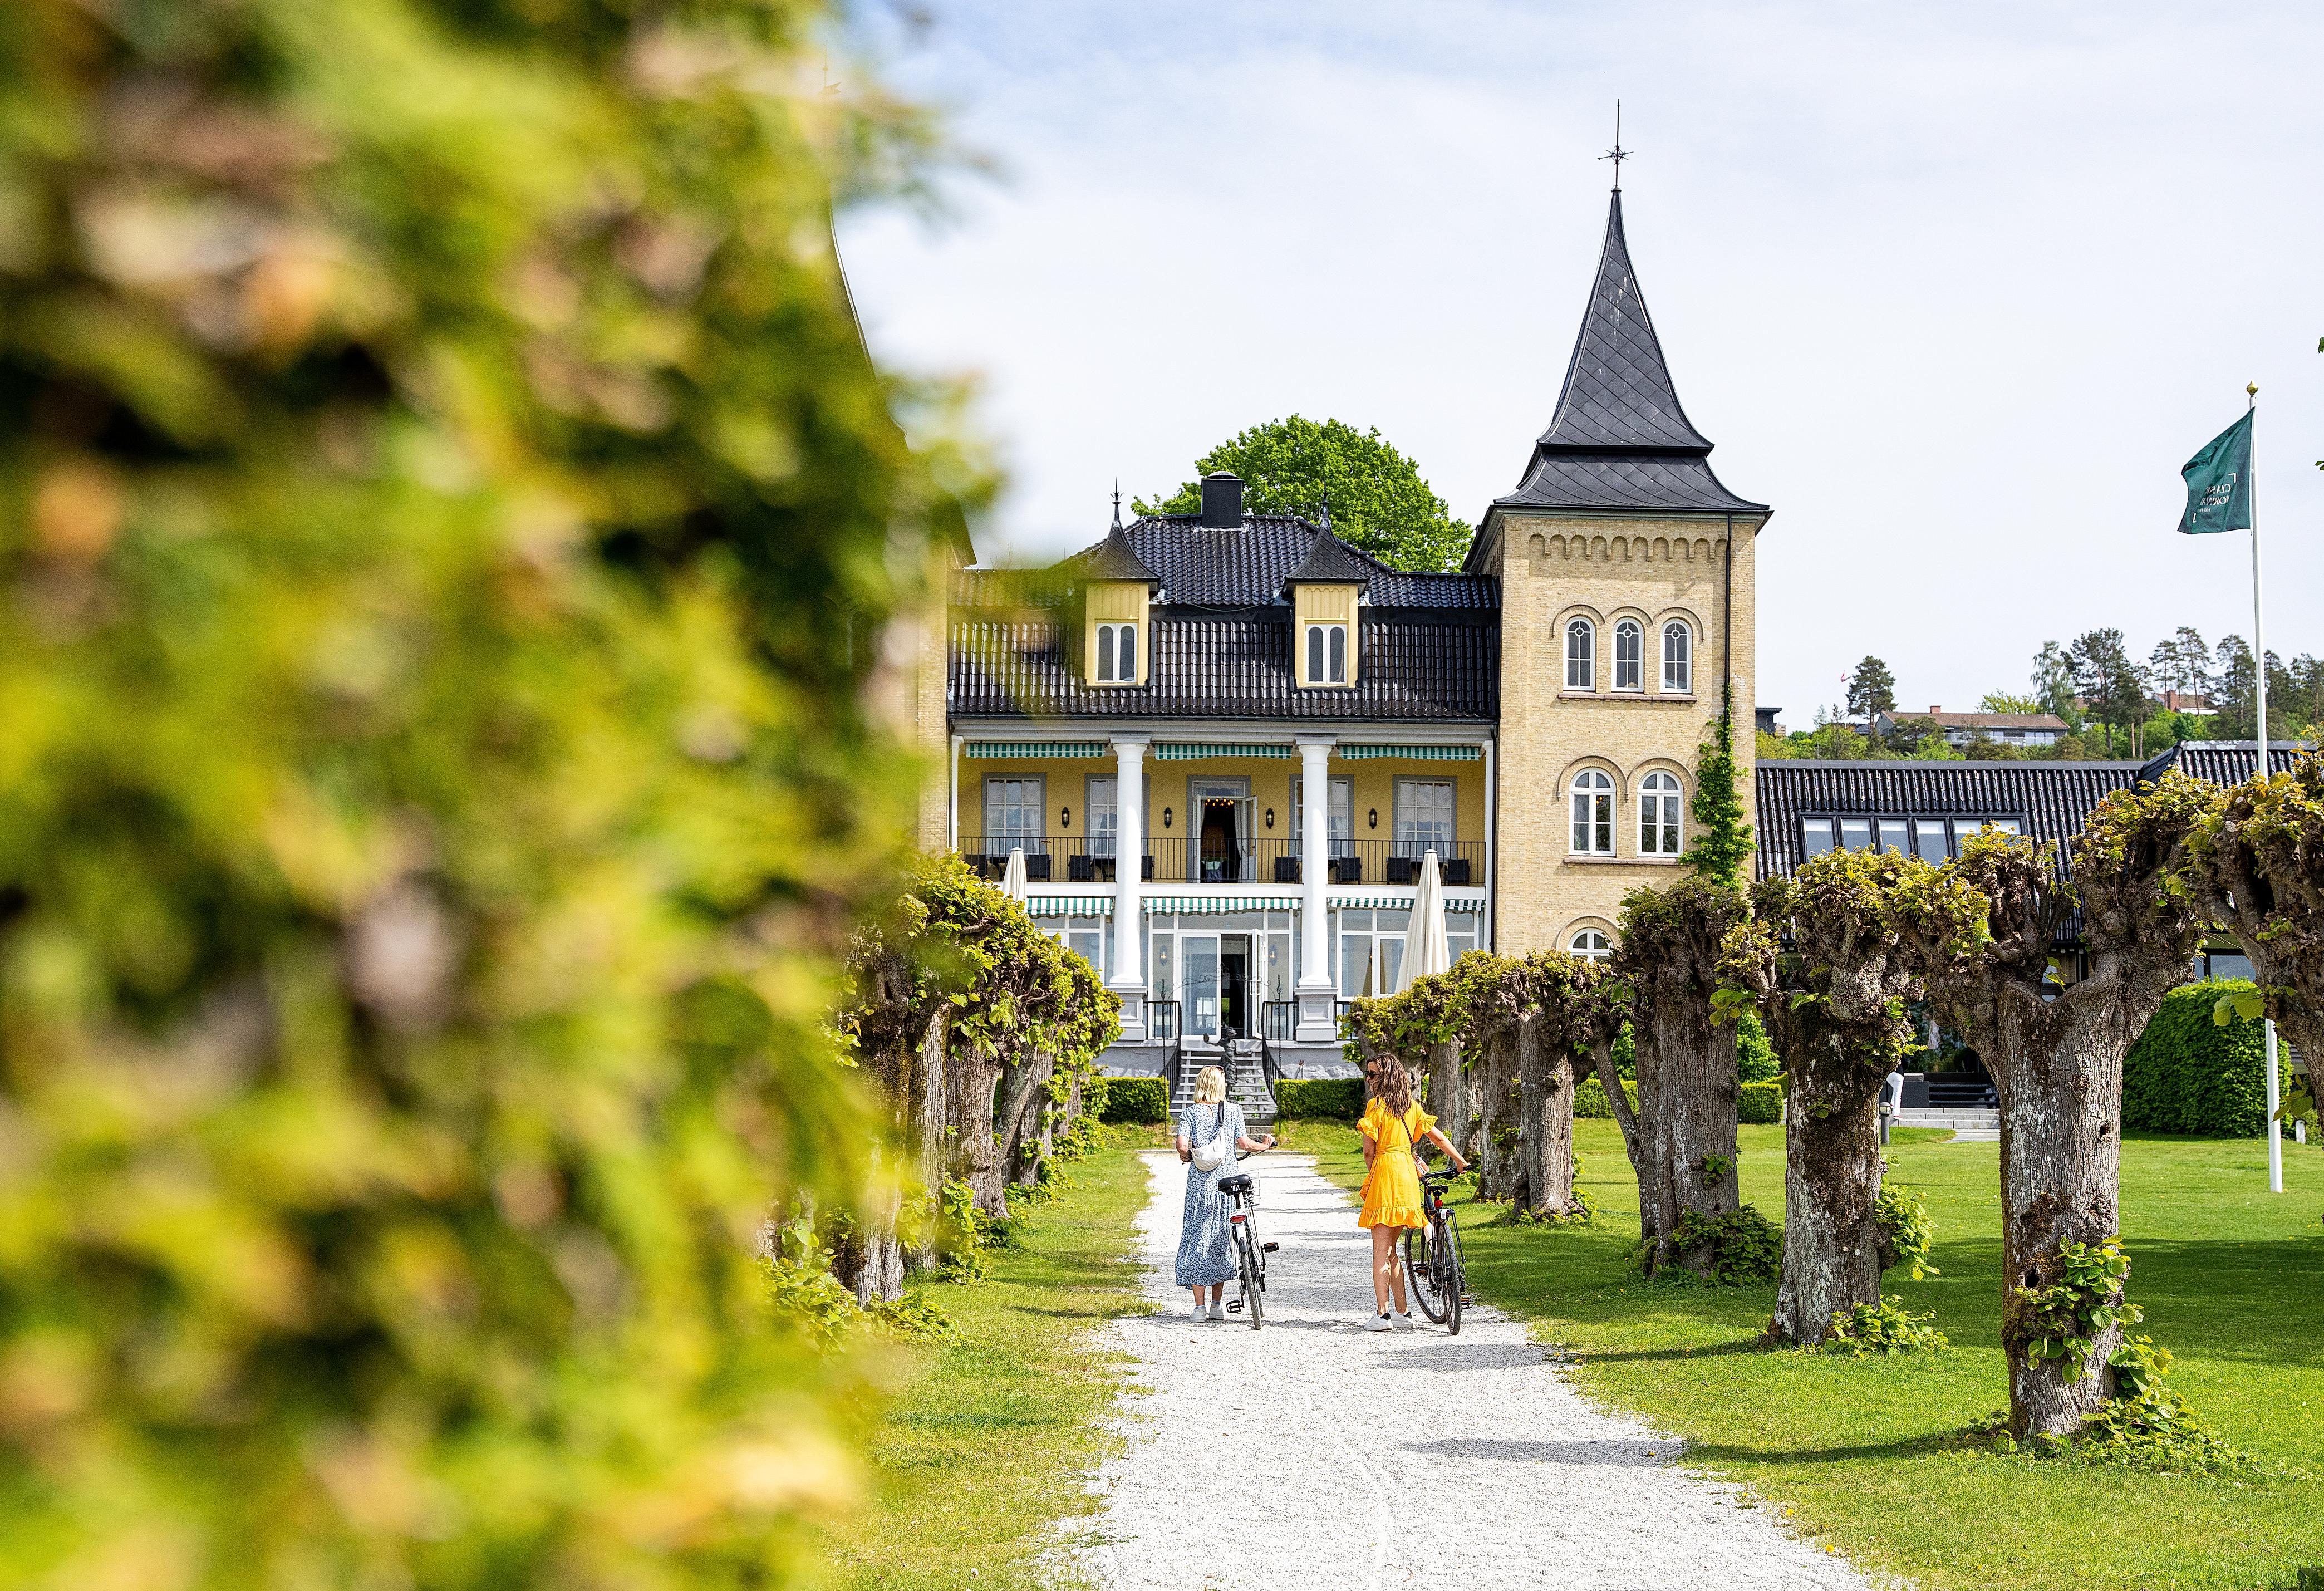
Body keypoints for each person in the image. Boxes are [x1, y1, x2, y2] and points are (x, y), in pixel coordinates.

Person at [1357, 1056, 1467, 1332]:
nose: (1368, 1079)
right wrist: (1459, 1160)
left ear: (1385, 1077)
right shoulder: (1412, 1107)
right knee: (1392, 1250)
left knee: (1380, 1251)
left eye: (1372, 1074)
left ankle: (1382, 1315)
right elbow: (1437, 1137)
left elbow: (1369, 1150)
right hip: (1407, 1174)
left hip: (1385, 1172)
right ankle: (1403, 1313)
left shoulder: (1376, 1107)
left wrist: (1374, 1173)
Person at [1175, 1065, 1275, 1322]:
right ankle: (1217, 1306)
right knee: (1221, 1241)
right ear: (1221, 1086)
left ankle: (1199, 1308)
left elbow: (1182, 1145)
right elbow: (1244, 1144)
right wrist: (1264, 1145)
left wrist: (1187, 1156)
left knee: (1198, 1242)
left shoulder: (1190, 1113)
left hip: (1200, 1187)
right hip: (1226, 1187)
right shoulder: (1232, 1111)